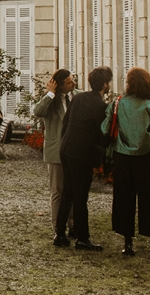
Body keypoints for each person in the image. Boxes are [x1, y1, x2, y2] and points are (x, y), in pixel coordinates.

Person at [101, 68, 150, 256]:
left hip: (122, 157)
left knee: (124, 198)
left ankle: (128, 243)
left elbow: (105, 128)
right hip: (145, 157)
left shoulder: (118, 104)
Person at [57, 67, 113, 251]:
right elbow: (101, 135)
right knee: (81, 197)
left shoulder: (79, 98)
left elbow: (66, 123)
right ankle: (82, 238)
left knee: (67, 193)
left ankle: (59, 233)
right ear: (105, 84)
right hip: (82, 153)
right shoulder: (101, 106)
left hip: (67, 148)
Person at [31, 70, 73, 245]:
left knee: (72, 190)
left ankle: (73, 225)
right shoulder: (50, 101)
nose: (73, 84)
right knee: (57, 191)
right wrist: (50, 93)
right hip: (56, 150)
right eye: (69, 82)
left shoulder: (76, 97)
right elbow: (37, 111)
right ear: (60, 84)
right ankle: (58, 227)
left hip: (72, 151)